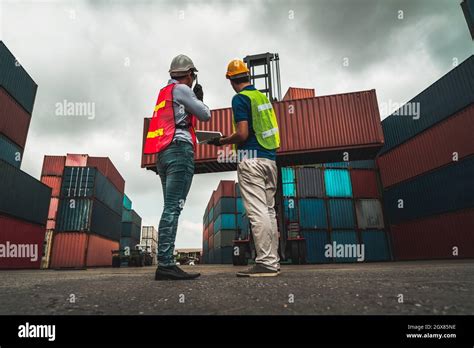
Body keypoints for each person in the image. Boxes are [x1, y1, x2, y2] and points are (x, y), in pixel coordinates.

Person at [209, 59, 281, 277]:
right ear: (248, 76)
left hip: (251, 160)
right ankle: (273, 261)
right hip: (270, 160)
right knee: (269, 211)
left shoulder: (240, 98)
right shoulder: (262, 97)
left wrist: (221, 141)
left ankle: (266, 263)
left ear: (231, 80)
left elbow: (242, 134)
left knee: (257, 212)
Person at [144, 54, 211, 280]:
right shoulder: (183, 89)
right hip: (179, 149)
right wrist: (199, 99)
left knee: (169, 207)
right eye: (193, 76)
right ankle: (165, 264)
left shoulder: (163, 92)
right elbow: (206, 115)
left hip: (162, 154)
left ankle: (165, 262)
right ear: (190, 74)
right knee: (174, 207)